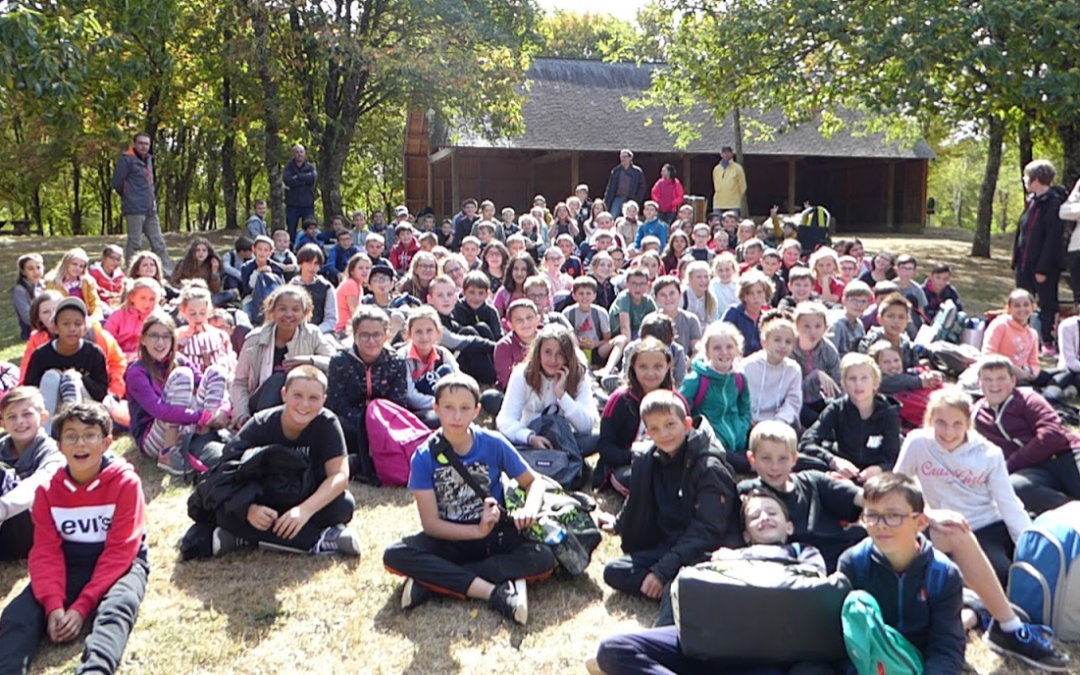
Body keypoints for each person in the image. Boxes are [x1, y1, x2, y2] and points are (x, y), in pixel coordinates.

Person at [590, 490, 824, 675]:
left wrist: (746, 556)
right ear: (745, 534)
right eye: (755, 516)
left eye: (772, 513)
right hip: (707, 641)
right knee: (613, 650)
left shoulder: (803, 552)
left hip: (761, 652)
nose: (764, 518)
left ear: (789, 526)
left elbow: (814, 584)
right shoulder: (724, 558)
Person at [382, 373, 553, 625]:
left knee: (543, 558)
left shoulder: (493, 442)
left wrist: (528, 508)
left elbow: (534, 481)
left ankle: (433, 581)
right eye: (449, 408)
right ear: (435, 408)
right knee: (395, 554)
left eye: (464, 408)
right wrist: (477, 531)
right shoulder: (423, 456)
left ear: (477, 410)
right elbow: (431, 524)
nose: (456, 416)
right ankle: (491, 591)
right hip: (449, 538)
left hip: (496, 537)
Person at [0, 402, 148, 675]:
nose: (80, 443)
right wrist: (53, 604)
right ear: (59, 446)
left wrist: (81, 607)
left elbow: (121, 551)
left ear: (106, 443)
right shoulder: (47, 491)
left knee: (116, 610)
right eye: (71, 436)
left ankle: (95, 669)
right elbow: (45, 552)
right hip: (69, 563)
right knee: (16, 617)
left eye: (90, 435)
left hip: (121, 565)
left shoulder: (126, 483)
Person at [599, 390, 734, 601]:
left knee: (709, 575)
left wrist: (662, 571)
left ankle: (682, 589)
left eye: (670, 424)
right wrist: (618, 523)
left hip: (704, 551)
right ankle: (680, 589)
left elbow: (707, 532)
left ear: (687, 424)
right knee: (615, 571)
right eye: (654, 428)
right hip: (668, 544)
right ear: (647, 433)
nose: (663, 434)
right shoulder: (650, 458)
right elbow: (637, 497)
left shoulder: (709, 468)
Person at [213, 366, 359, 556]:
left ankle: (244, 537)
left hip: (306, 496)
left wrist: (304, 510)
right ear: (284, 394)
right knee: (225, 512)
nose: (304, 405)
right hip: (265, 499)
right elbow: (224, 473)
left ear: (324, 400)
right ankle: (324, 539)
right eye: (297, 395)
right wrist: (249, 509)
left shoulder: (327, 423)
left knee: (344, 505)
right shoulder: (260, 423)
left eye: (313, 398)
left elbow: (340, 476)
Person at [894, 386, 1030, 586]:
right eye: (941, 423)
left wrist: (1029, 547)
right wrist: (926, 515)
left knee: (1000, 577)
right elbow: (898, 486)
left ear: (968, 423)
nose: (949, 432)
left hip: (984, 525)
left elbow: (1008, 502)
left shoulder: (989, 454)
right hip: (939, 525)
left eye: (957, 424)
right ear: (931, 420)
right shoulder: (918, 442)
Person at [837, 473, 966, 674]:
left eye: (893, 516)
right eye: (872, 515)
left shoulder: (944, 575)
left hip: (919, 665)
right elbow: (844, 637)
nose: (881, 524)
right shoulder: (853, 563)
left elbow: (946, 646)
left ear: (921, 522)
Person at [738, 420, 865, 571]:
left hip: (839, 558)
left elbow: (864, 498)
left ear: (794, 459)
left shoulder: (813, 481)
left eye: (783, 458)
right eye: (766, 458)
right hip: (793, 570)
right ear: (752, 459)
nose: (774, 467)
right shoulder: (746, 492)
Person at [124, 313, 231, 474]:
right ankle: (168, 453)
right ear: (143, 339)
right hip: (152, 436)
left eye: (166, 337)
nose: (160, 342)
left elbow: (204, 382)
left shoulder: (178, 359)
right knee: (182, 375)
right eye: (154, 336)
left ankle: (204, 435)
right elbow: (159, 410)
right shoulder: (136, 372)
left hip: (186, 423)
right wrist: (199, 417)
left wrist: (224, 409)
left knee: (216, 371)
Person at [973, 355, 1080, 515]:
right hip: (1032, 470)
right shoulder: (975, 414)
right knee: (1016, 487)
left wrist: (1010, 464)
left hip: (1064, 455)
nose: (994, 384)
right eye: (987, 379)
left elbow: (1052, 435)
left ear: (1013, 381)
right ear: (979, 383)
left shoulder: (1028, 399)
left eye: (1001, 378)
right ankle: (1072, 513)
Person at [325, 306, 410, 481]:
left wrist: (377, 426)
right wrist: (366, 426)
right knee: (332, 425)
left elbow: (398, 403)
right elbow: (337, 404)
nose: (371, 341)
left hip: (384, 424)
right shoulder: (339, 361)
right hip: (351, 424)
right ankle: (358, 461)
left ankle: (367, 461)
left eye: (377, 335)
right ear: (354, 335)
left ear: (386, 335)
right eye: (364, 335)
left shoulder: (396, 362)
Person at [231, 286, 334, 430]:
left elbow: (335, 362)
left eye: (295, 309)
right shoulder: (254, 339)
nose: (289, 314)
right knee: (278, 380)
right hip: (261, 406)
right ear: (272, 311)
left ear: (305, 313)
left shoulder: (313, 335)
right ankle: (262, 431)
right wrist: (241, 413)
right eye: (282, 309)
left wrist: (309, 361)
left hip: (300, 402)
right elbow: (239, 382)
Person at [497, 324, 599, 461]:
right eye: (548, 352)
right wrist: (530, 438)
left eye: (560, 354)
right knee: (501, 440)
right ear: (538, 352)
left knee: (598, 438)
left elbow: (586, 426)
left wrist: (562, 395)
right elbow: (505, 419)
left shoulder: (578, 375)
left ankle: (565, 461)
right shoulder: (522, 373)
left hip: (566, 439)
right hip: (530, 437)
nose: (553, 360)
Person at [798, 352, 900, 480]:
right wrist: (833, 460)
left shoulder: (888, 412)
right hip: (843, 470)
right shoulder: (837, 408)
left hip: (875, 475)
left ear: (875, 383)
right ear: (844, 384)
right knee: (798, 460)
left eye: (864, 378)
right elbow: (807, 442)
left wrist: (879, 469)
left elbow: (893, 455)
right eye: (852, 378)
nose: (858, 384)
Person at [23, 298, 111, 433]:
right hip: (50, 406)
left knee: (71, 377)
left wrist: (79, 377)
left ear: (84, 327)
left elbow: (101, 392)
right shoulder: (41, 355)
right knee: (51, 376)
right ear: (55, 327)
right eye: (65, 324)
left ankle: (74, 428)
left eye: (77, 324)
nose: (72, 329)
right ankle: (45, 436)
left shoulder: (94, 353)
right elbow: (30, 390)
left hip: (85, 406)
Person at [0, 387, 63, 561]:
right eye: (11, 417)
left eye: (27, 414)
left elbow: (36, 485)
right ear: (2, 423)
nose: (20, 421)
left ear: (43, 417)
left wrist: (2, 508)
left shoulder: (53, 452)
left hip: (32, 532)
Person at [1013, 159, 1068, 355]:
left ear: (1037, 179)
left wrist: (1042, 268)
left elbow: (1052, 239)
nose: (1024, 179)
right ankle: (1021, 337)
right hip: (1024, 264)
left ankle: (1048, 341)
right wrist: (1016, 261)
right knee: (1020, 301)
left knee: (1047, 303)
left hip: (1043, 266)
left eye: (1027, 177)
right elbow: (1023, 234)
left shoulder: (1052, 204)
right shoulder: (1032, 202)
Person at [681, 322, 751, 470]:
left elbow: (745, 409)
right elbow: (682, 410)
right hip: (711, 443)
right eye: (717, 348)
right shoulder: (696, 380)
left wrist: (742, 428)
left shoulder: (739, 379)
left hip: (738, 441)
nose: (724, 352)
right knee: (734, 462)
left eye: (729, 347)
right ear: (707, 353)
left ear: (737, 350)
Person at [113, 132, 173, 269]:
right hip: (134, 208)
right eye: (141, 143)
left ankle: (168, 273)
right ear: (135, 144)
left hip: (150, 208)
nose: (144, 146)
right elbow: (117, 182)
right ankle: (131, 273)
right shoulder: (126, 159)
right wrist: (130, 196)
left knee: (159, 242)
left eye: (146, 144)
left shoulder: (149, 160)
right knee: (135, 243)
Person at [982, 288, 1058, 390]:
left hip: (1025, 373)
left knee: (1062, 374)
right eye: (1017, 306)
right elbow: (988, 355)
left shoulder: (1032, 334)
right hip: (1001, 373)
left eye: (1026, 305)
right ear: (1009, 308)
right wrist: (1015, 370)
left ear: (1033, 307)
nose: (1022, 309)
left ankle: (1051, 392)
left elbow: (1033, 362)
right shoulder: (1000, 325)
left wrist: (1033, 374)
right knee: (1027, 388)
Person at [398, 307, 459, 429]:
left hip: (443, 403)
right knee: (438, 419)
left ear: (438, 333)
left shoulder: (442, 353)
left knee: (446, 370)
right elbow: (410, 396)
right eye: (418, 332)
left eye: (429, 331)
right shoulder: (402, 358)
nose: (424, 336)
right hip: (416, 409)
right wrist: (442, 404)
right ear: (409, 334)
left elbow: (459, 379)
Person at [743, 311, 802, 427]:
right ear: (764, 342)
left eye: (788, 342)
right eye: (777, 340)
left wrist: (779, 422)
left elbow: (793, 402)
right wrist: (749, 419)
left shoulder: (794, 370)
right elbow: (740, 398)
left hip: (780, 423)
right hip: (750, 421)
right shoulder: (748, 366)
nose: (783, 345)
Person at [791, 302, 842, 427]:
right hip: (793, 402)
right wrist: (815, 376)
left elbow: (837, 384)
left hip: (816, 399)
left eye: (818, 326)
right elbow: (789, 388)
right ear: (796, 326)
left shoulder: (828, 350)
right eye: (806, 326)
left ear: (825, 327)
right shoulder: (790, 349)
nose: (812, 332)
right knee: (816, 422)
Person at [175, 281, 237, 372]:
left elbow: (232, 361)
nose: (198, 318)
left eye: (202, 313)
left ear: (209, 310)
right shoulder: (176, 336)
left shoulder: (220, 335)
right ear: (183, 311)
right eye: (192, 313)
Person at [103, 277, 163, 361]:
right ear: (132, 297)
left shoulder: (157, 318)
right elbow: (106, 341)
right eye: (143, 298)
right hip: (117, 358)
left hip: (145, 360)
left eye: (152, 299)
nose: (147, 303)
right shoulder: (119, 315)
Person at [721, 269, 773, 355]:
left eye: (759, 292)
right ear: (744, 296)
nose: (755, 297)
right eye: (750, 293)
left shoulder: (768, 317)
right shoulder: (734, 313)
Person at [45, 247, 103, 322]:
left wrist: (94, 317)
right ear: (66, 264)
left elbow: (95, 303)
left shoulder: (87, 281)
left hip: (86, 318)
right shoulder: (53, 282)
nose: (77, 268)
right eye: (74, 264)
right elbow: (51, 306)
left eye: (81, 266)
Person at [290, 245, 337, 336]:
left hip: (321, 333)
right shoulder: (291, 287)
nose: (312, 267)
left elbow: (331, 319)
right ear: (300, 264)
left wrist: (315, 332)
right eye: (308, 262)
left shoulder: (326, 287)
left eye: (316, 263)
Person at [610, 268, 658, 342]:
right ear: (626, 284)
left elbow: (656, 321)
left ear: (647, 285)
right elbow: (624, 327)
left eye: (642, 284)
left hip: (638, 334)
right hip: (619, 336)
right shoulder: (624, 298)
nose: (637, 288)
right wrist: (629, 349)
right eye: (633, 283)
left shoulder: (648, 300)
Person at [826, 279, 871, 357]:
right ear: (844, 301)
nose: (858, 305)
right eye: (854, 300)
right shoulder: (837, 324)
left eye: (863, 301)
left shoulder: (859, 324)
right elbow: (830, 353)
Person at [452, 271, 502, 341]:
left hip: (487, 347)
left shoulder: (490, 311)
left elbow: (498, 336)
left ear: (487, 294)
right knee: (468, 330)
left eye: (481, 293)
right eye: (472, 293)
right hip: (464, 347)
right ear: (463, 293)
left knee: (482, 327)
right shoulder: (456, 309)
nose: (476, 297)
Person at [283, 144, 317, 239]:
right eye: (297, 152)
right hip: (292, 204)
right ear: (293, 154)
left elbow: (312, 179)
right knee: (291, 229)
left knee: (310, 229)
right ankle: (291, 247)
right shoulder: (288, 167)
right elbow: (287, 180)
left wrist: (297, 177)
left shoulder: (311, 167)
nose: (299, 154)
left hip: (308, 204)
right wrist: (304, 179)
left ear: (305, 154)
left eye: (301, 152)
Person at [603, 149, 647, 220]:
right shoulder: (615, 171)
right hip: (617, 198)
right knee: (612, 217)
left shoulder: (637, 172)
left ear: (630, 158)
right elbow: (610, 187)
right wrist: (606, 201)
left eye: (625, 157)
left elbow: (642, 187)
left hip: (631, 199)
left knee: (632, 219)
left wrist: (637, 199)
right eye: (621, 157)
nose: (623, 159)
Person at [13, 253, 46, 341]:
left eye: (38, 267)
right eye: (30, 269)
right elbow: (27, 318)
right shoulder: (20, 290)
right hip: (32, 331)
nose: (36, 272)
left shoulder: (46, 285)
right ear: (23, 271)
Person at [711, 145, 747, 216]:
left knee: (732, 224)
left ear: (732, 154)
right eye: (724, 152)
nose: (726, 154)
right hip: (718, 203)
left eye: (728, 152)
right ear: (721, 154)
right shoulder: (716, 169)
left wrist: (736, 197)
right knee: (717, 225)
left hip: (733, 204)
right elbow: (715, 184)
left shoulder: (738, 168)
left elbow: (743, 186)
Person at [89, 245, 126, 314]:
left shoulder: (121, 276)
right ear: (103, 258)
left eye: (118, 259)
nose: (114, 262)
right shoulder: (94, 274)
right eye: (112, 258)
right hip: (99, 307)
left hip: (117, 306)